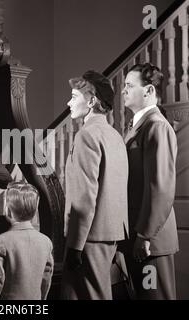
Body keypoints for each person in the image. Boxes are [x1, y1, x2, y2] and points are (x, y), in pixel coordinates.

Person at [61, 70, 129, 300]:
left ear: (91, 101)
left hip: (89, 237)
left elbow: (85, 197)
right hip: (109, 233)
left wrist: (75, 245)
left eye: (74, 96)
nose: (68, 102)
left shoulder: (87, 136)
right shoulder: (114, 135)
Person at [121, 63, 178, 299]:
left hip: (150, 240)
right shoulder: (137, 126)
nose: (123, 91)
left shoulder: (156, 126)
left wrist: (144, 235)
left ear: (149, 91)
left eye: (129, 86)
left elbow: (161, 188)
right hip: (137, 234)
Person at [0, 182, 54, 300]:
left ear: (8, 211)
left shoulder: (0, 242)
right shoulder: (46, 242)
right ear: (35, 211)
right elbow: (46, 278)